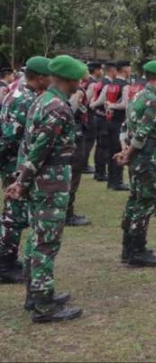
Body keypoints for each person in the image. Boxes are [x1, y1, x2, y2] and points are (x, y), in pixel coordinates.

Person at [4, 54, 86, 323]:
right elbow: (39, 149)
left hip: (42, 181)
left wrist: (22, 180)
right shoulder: (57, 108)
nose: (81, 83)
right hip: (49, 183)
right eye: (79, 79)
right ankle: (43, 306)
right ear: (70, 80)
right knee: (45, 243)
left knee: (36, 239)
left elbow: (29, 147)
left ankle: (36, 294)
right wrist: (22, 181)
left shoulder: (42, 101)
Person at [114, 60, 156, 268]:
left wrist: (124, 149)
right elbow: (141, 134)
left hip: (137, 159)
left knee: (134, 199)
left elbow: (125, 127)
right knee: (145, 202)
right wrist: (128, 153)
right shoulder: (154, 101)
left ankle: (128, 247)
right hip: (146, 159)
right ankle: (137, 250)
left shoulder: (137, 96)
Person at [0, 57, 51, 284]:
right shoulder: (27, 100)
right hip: (16, 165)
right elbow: (12, 136)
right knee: (14, 216)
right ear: (40, 78)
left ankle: (8, 259)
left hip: (14, 164)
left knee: (14, 214)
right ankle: (4, 264)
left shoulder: (17, 93)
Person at [92, 60, 131, 191]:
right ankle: (117, 181)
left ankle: (111, 180)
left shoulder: (109, 85)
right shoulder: (125, 86)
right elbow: (126, 104)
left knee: (109, 151)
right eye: (129, 69)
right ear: (125, 70)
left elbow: (100, 101)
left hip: (108, 121)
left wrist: (95, 104)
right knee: (119, 151)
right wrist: (113, 105)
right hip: (119, 123)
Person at [65, 68, 92, 227]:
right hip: (76, 135)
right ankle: (68, 213)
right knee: (74, 173)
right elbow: (70, 111)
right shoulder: (78, 92)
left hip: (75, 134)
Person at [89, 61, 116, 183]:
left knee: (100, 146)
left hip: (98, 117)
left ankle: (99, 171)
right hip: (103, 117)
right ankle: (100, 172)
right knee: (103, 147)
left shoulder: (100, 83)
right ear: (112, 71)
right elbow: (100, 100)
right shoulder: (107, 84)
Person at [81, 62, 104, 176]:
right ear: (96, 70)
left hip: (85, 115)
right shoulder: (92, 84)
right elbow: (87, 100)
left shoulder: (85, 81)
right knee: (88, 140)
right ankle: (83, 164)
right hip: (88, 115)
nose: (102, 72)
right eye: (101, 69)